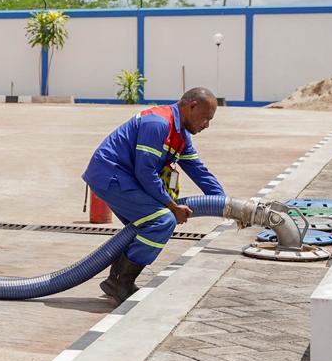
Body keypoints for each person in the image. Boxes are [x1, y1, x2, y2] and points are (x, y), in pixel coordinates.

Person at [83, 87, 226, 303]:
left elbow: (199, 171)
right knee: (162, 220)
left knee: (147, 225)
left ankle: (117, 280)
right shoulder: (158, 123)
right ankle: (120, 282)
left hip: (127, 178)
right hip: (111, 175)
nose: (207, 125)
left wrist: (226, 205)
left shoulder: (181, 135)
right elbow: (145, 172)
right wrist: (172, 206)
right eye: (206, 118)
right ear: (192, 106)